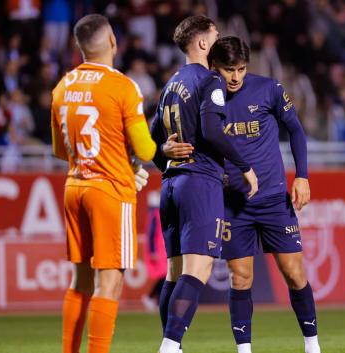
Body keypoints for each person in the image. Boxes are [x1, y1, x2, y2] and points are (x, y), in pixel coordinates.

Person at [149, 16, 258, 353]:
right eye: (215, 35)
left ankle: (172, 346)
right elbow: (212, 131)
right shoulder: (209, 79)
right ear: (201, 44)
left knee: (174, 273)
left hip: (170, 184)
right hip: (199, 181)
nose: (219, 40)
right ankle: (169, 347)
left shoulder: (170, 85)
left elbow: (151, 138)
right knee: (198, 269)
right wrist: (245, 166)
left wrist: (164, 157)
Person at [51, 14, 156, 353]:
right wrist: (132, 159)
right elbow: (145, 149)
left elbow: (59, 149)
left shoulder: (62, 87)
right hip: (110, 192)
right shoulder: (123, 86)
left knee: (79, 280)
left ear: (78, 46)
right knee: (108, 284)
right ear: (113, 41)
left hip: (75, 187)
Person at [209, 36, 321, 353]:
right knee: (241, 278)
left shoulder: (269, 89)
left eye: (241, 69)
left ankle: (312, 346)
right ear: (214, 66)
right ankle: (244, 351)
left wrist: (301, 176)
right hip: (233, 203)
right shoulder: (207, 100)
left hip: (273, 200)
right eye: (229, 70)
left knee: (294, 273)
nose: (235, 77)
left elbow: (296, 130)